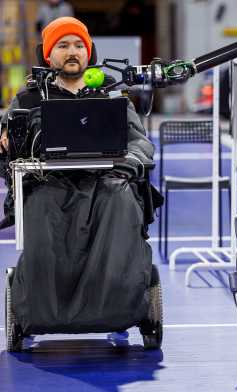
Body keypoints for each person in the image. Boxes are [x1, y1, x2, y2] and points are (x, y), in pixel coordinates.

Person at [0, 17, 158, 335]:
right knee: (42, 204)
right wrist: (7, 143)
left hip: (105, 184)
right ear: (48, 54)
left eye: (78, 46)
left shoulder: (111, 97)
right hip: (47, 185)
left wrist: (132, 161)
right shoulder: (28, 100)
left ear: (89, 53)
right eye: (63, 46)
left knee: (121, 198)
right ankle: (41, 308)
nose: (72, 52)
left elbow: (140, 142)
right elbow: (10, 145)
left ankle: (120, 302)